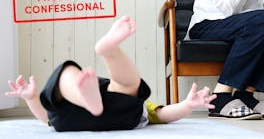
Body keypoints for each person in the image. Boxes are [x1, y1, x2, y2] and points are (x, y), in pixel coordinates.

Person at [5, 16, 217, 131]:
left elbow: (47, 118)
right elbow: (163, 115)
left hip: (70, 119)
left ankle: (86, 95)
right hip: (122, 115)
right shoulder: (137, 107)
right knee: (129, 85)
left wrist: (32, 98)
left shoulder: (64, 111)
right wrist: (187, 106)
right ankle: (109, 52)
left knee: (66, 73)